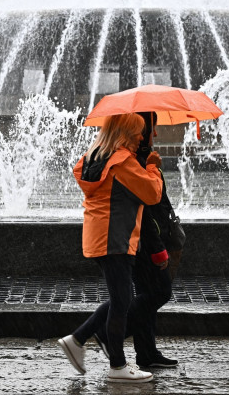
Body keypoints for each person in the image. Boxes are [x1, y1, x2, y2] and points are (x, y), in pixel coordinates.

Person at [58, 113, 163, 384]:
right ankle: (117, 365)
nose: (142, 136)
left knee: (122, 298)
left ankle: (78, 339)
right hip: (116, 237)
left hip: (98, 234)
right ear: (126, 133)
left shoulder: (94, 156)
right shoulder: (123, 162)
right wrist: (152, 167)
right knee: (122, 302)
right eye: (138, 132)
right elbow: (152, 194)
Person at [128, 112, 179, 368]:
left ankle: (147, 354)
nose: (156, 133)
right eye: (153, 128)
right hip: (146, 243)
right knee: (160, 292)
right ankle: (105, 332)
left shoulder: (143, 156)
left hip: (147, 240)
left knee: (147, 294)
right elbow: (146, 207)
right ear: (143, 129)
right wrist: (158, 249)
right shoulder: (137, 159)